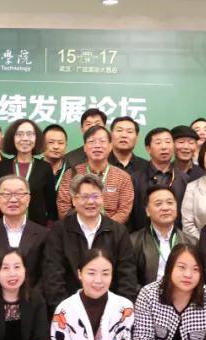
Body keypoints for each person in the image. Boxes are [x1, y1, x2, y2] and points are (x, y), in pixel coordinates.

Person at [44, 173, 138, 305]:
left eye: (95, 196)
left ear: (102, 198)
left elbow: (127, 275)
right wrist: (64, 309)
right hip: (69, 306)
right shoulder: (59, 231)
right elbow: (53, 275)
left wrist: (121, 308)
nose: (90, 202)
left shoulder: (118, 231)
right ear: (74, 200)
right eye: (84, 197)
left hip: (110, 305)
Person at [0, 175, 49, 289]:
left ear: (28, 199)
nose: (13, 199)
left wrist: (30, 297)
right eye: (6, 194)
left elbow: (46, 275)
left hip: (33, 297)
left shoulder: (44, 235)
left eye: (19, 194)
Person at [55, 126, 134, 225]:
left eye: (102, 141)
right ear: (84, 148)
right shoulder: (71, 174)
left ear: (110, 146)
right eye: (91, 141)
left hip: (111, 231)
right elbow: (63, 207)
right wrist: (83, 227)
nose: (97, 146)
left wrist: (104, 228)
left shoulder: (123, 177)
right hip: (77, 230)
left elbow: (124, 211)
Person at [0, 119, 57, 226]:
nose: (25, 138)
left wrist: (49, 228)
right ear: (12, 138)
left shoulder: (45, 168)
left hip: (37, 229)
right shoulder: (2, 167)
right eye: (19, 134)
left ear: (36, 138)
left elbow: (51, 205)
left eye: (30, 134)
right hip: (5, 228)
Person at [130, 127, 189, 232]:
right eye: (158, 143)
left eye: (168, 142)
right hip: (143, 237)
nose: (164, 147)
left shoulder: (185, 179)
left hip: (177, 237)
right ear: (148, 149)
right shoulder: (135, 179)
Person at [129, 186, 181, 285]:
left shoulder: (190, 242)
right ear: (147, 211)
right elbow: (129, 281)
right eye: (158, 204)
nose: (165, 208)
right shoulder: (133, 242)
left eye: (170, 203)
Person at [43, 124, 71, 202]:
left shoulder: (73, 172)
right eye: (51, 142)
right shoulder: (34, 169)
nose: (56, 146)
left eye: (60, 143)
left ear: (66, 146)